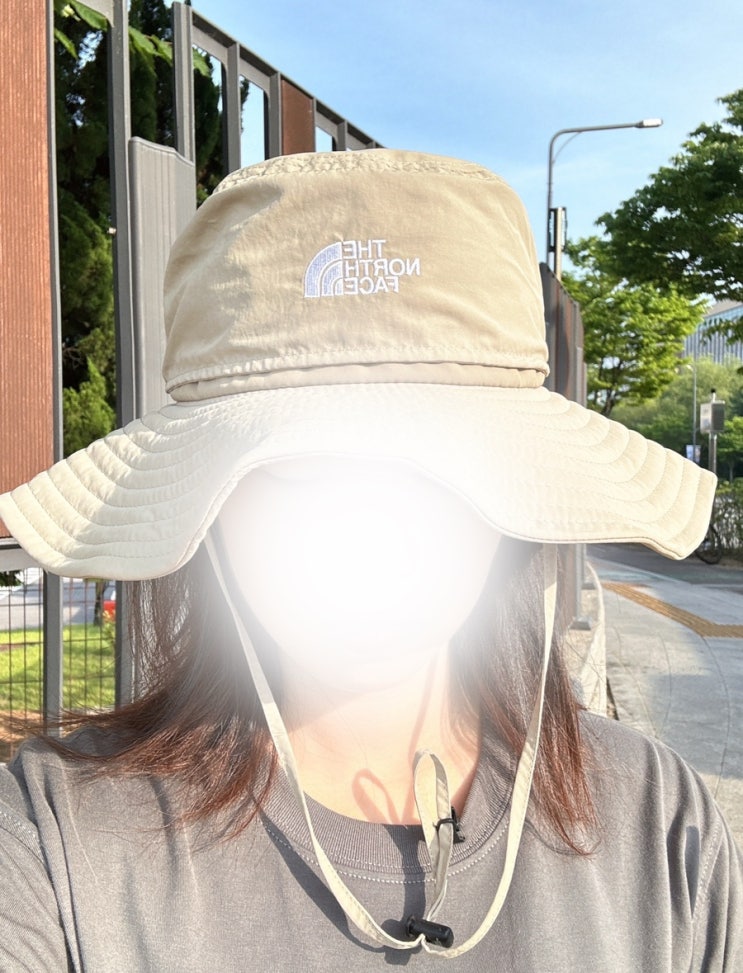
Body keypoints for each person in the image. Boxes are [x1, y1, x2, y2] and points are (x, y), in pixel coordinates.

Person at [0, 149, 740, 972]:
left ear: (513, 502)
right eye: (303, 468)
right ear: (210, 506)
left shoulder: (662, 832)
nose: (370, 520)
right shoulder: (53, 846)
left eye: (436, 465)